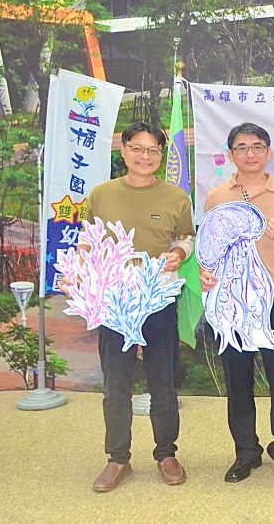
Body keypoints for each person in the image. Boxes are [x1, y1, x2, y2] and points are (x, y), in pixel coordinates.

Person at [82, 122, 195, 492]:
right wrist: (81, 272)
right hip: (115, 303)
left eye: (153, 151)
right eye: (137, 148)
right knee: (116, 384)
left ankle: (167, 454)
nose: (145, 156)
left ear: (161, 155)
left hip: (158, 299)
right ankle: (118, 458)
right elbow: (88, 242)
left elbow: (185, 238)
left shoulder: (176, 197)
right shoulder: (101, 194)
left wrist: (179, 253)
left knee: (163, 381)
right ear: (124, 150)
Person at [199, 123, 274, 483]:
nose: (250, 153)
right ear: (231, 154)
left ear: (268, 152)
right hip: (231, 297)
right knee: (238, 376)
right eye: (242, 147)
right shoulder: (217, 197)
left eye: (257, 146)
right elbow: (207, 246)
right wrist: (204, 272)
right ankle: (246, 453)